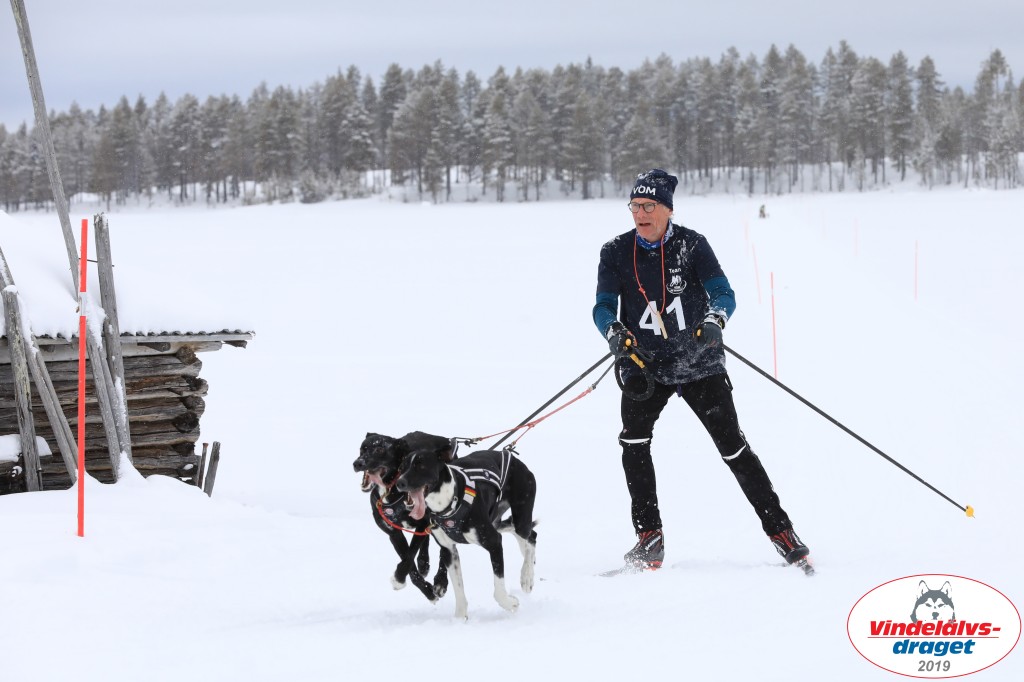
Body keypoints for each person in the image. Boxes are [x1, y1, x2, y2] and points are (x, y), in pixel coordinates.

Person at [592, 169, 811, 571]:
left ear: (667, 210)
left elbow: (723, 293)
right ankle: (649, 538)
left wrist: (715, 319)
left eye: (649, 206)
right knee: (633, 444)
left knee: (734, 447)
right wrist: (614, 331)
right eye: (635, 206)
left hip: (698, 362)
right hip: (645, 366)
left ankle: (782, 532)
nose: (640, 214)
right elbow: (603, 306)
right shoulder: (615, 251)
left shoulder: (692, 245)